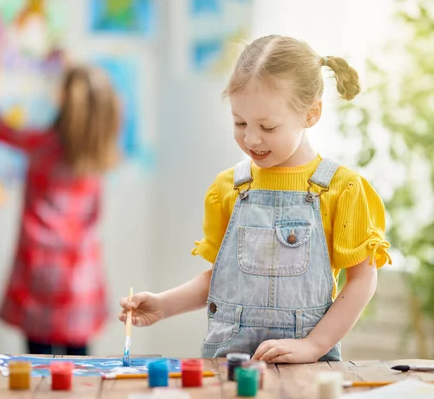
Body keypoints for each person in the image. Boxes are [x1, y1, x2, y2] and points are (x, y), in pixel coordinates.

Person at [118, 35, 391, 363]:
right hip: (227, 364)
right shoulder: (228, 188)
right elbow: (222, 279)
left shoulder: (343, 188)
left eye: (268, 126)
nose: (251, 138)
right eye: (240, 122)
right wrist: (164, 305)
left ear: (311, 113)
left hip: (304, 369)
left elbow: (362, 280)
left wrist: (314, 345)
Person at [0, 39, 121, 355]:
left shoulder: (43, 145)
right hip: (80, 278)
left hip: (39, 275)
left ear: (64, 99)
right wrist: (69, 67)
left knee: (40, 372)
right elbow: (89, 101)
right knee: (79, 372)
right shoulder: (99, 150)